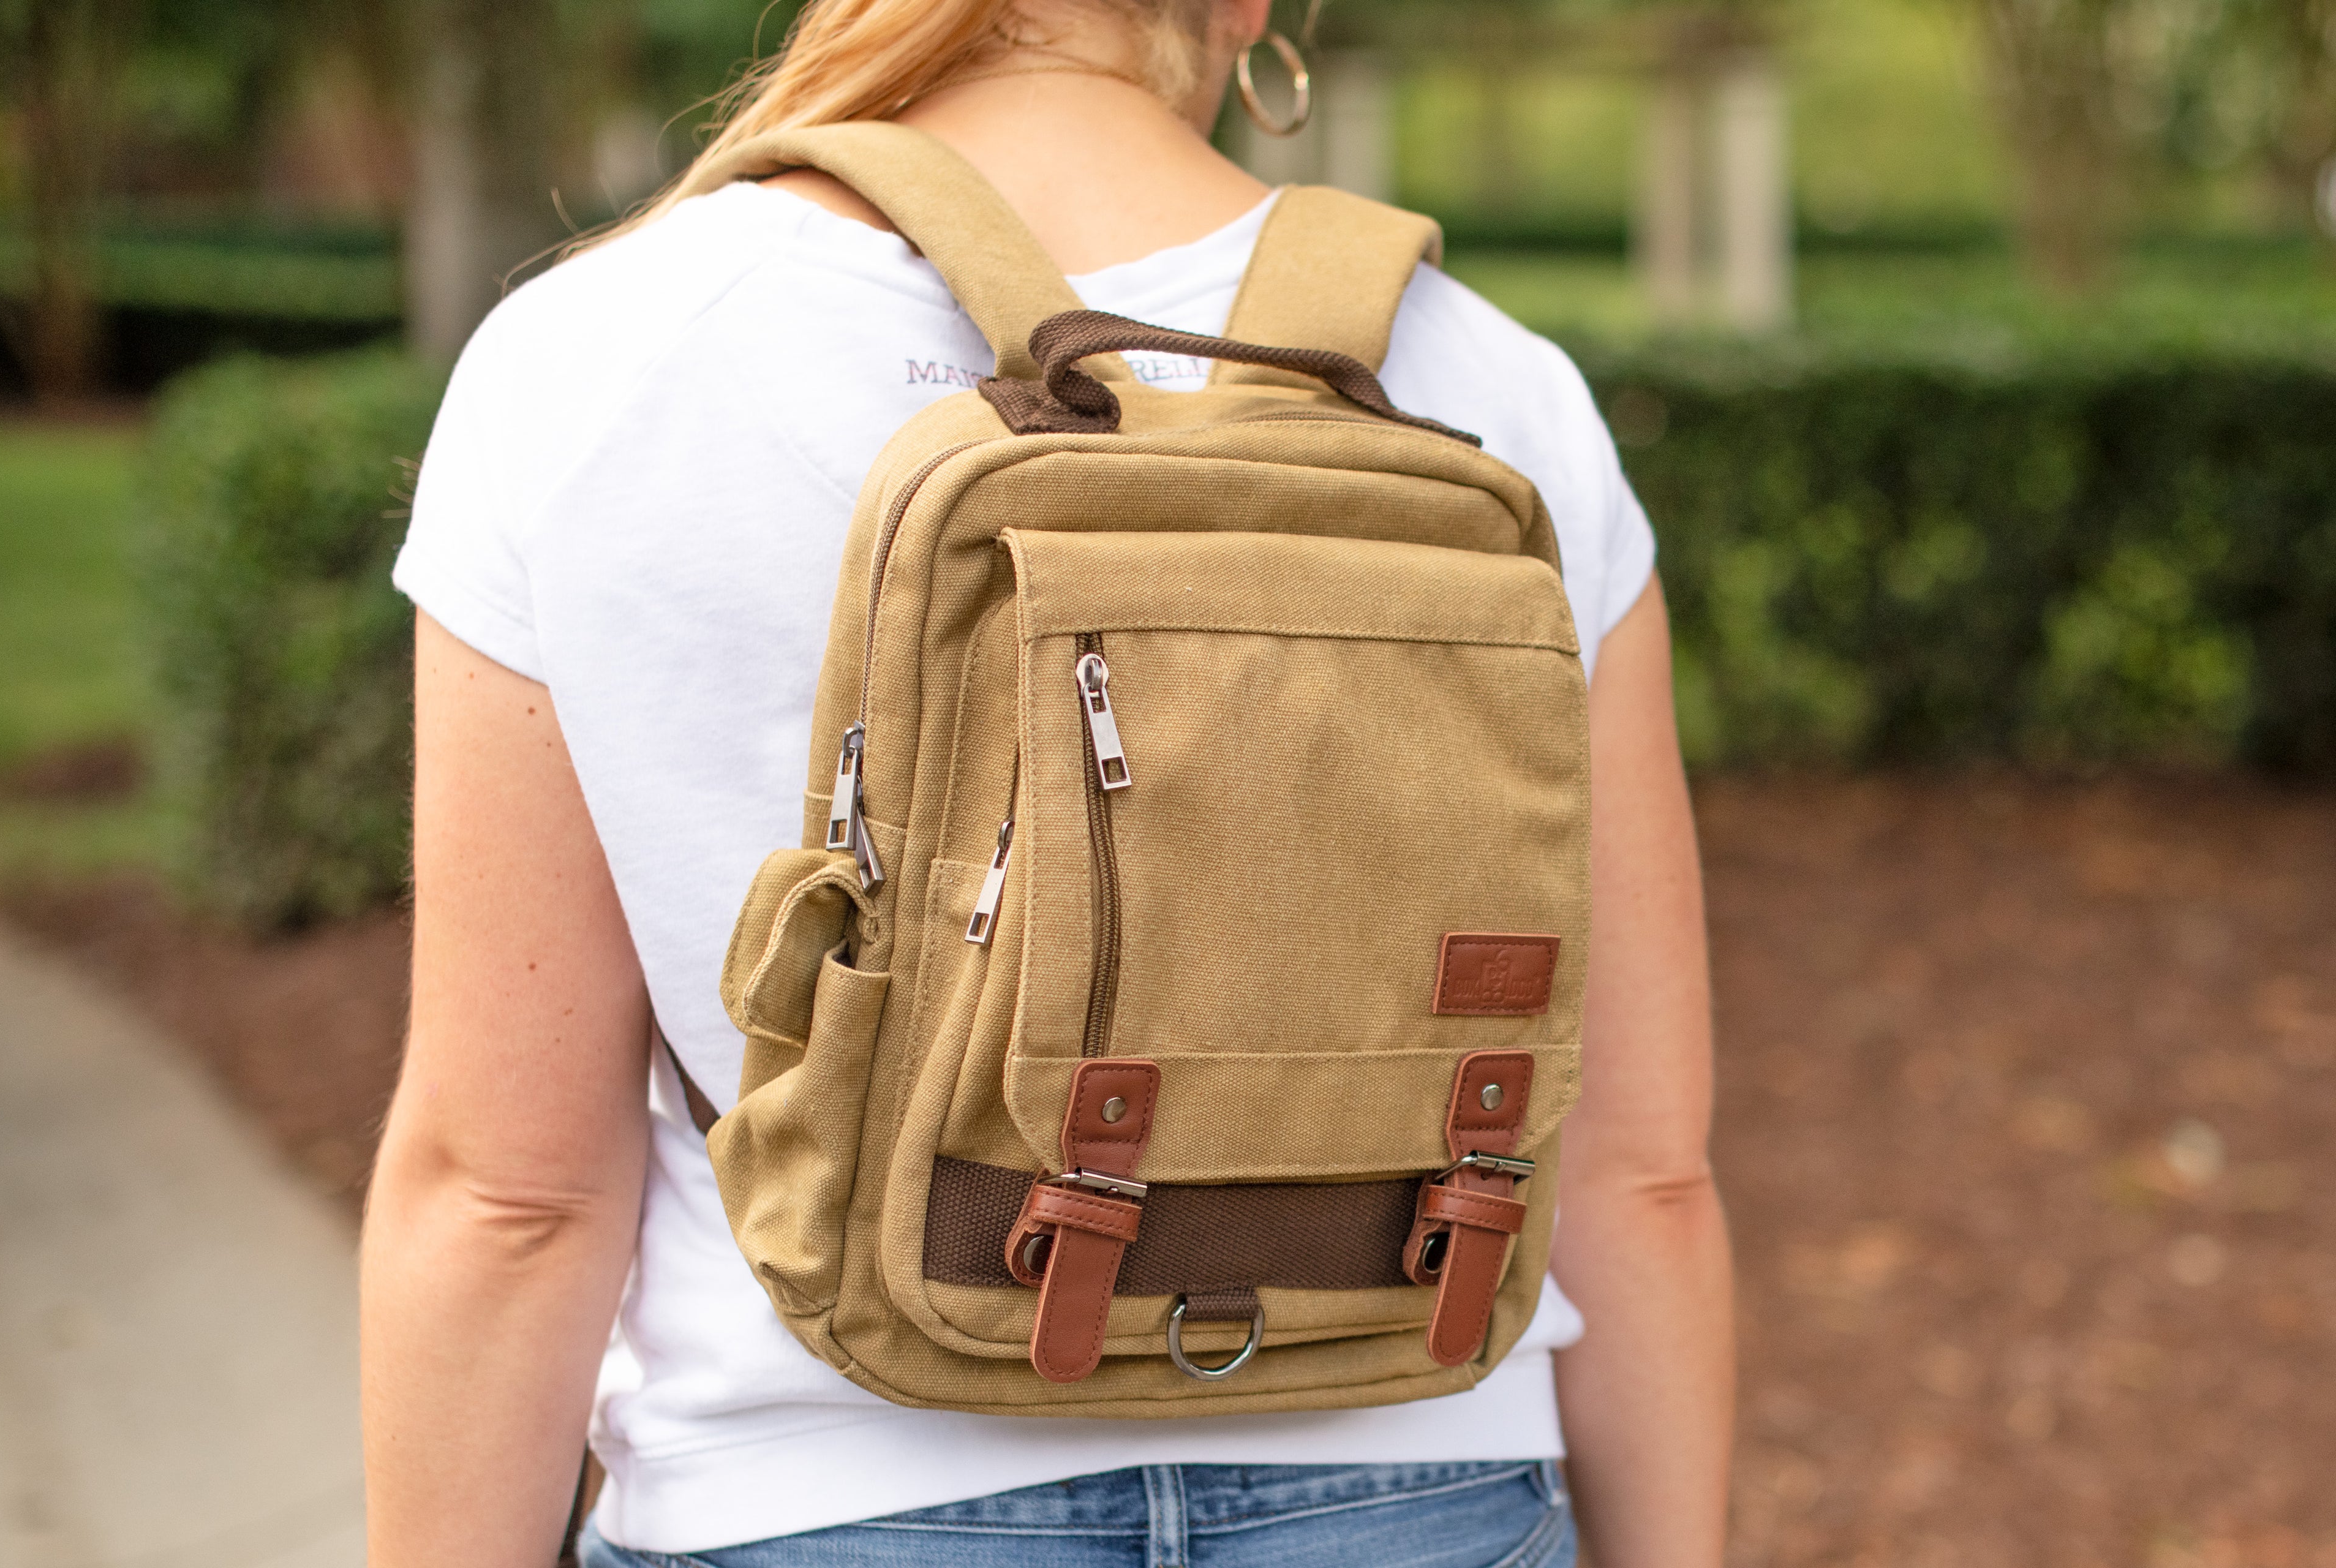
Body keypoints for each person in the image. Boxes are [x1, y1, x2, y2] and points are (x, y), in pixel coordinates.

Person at [361, 0, 1733, 1563]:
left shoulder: (604, 358)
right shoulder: (1501, 380)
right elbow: (1645, 1173)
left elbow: (505, 1198)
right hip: (1429, 1487)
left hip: (815, 1494)